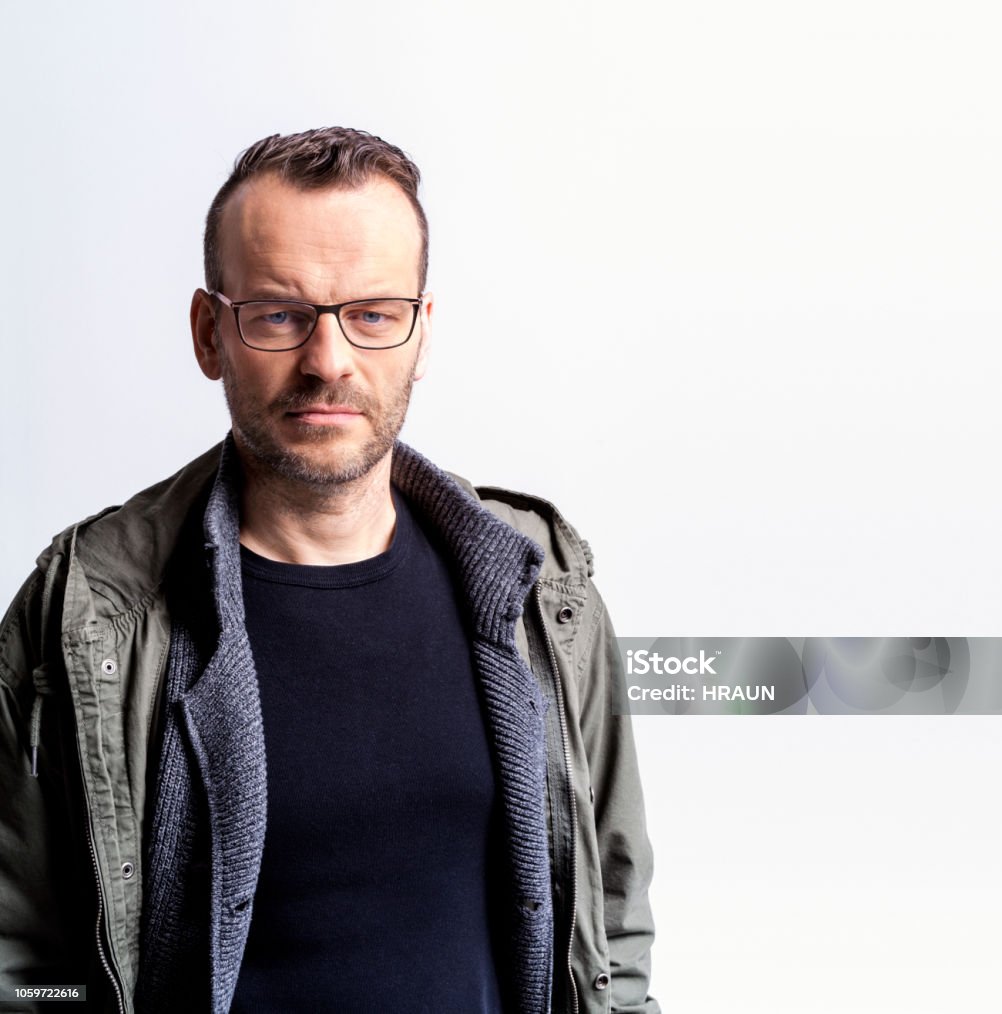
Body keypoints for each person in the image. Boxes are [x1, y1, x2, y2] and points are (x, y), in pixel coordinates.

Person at [0, 127, 658, 1014]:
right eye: (280, 314)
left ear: (422, 335)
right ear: (209, 333)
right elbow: (21, 957)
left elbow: (609, 931)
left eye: (373, 314)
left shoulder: (540, 592)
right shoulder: (89, 609)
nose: (328, 361)